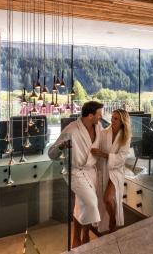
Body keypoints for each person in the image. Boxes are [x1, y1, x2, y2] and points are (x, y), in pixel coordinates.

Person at [48, 101, 104, 248]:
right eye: (99, 114)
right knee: (91, 202)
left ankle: (81, 238)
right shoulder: (71, 129)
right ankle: (81, 235)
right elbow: (51, 154)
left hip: (92, 171)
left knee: (82, 203)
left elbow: (105, 140)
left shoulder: (98, 127)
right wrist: (61, 146)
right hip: (75, 172)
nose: (101, 116)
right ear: (90, 115)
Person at [91, 109, 131, 233]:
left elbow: (122, 158)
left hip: (116, 171)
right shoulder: (104, 133)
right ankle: (108, 222)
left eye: (116, 119)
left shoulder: (126, 136)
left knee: (107, 198)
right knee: (105, 200)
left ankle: (113, 221)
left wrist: (104, 154)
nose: (112, 120)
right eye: (112, 117)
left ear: (122, 122)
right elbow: (94, 147)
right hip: (103, 170)